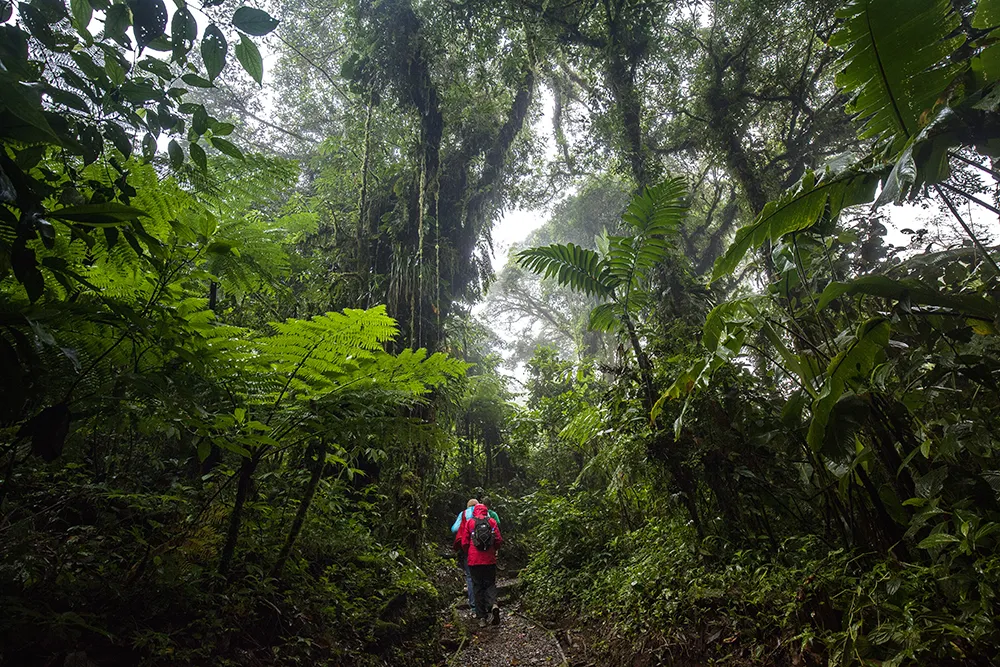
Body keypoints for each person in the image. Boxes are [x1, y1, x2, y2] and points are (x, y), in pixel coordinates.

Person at [461, 502, 503, 627]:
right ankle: (493, 605)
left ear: (474, 511)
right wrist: (494, 549)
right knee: (490, 584)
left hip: (474, 561)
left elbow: (464, 542)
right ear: (486, 511)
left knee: (477, 587)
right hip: (489, 560)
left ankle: (482, 618)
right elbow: (498, 540)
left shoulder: (470, 522)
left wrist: (469, 552)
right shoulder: (491, 522)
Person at [451, 498, 479, 613]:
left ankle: (474, 606)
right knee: (484, 577)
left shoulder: (464, 514)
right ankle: (487, 605)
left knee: (470, 576)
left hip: (468, 549)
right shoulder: (485, 513)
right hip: (484, 550)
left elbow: (454, 529)